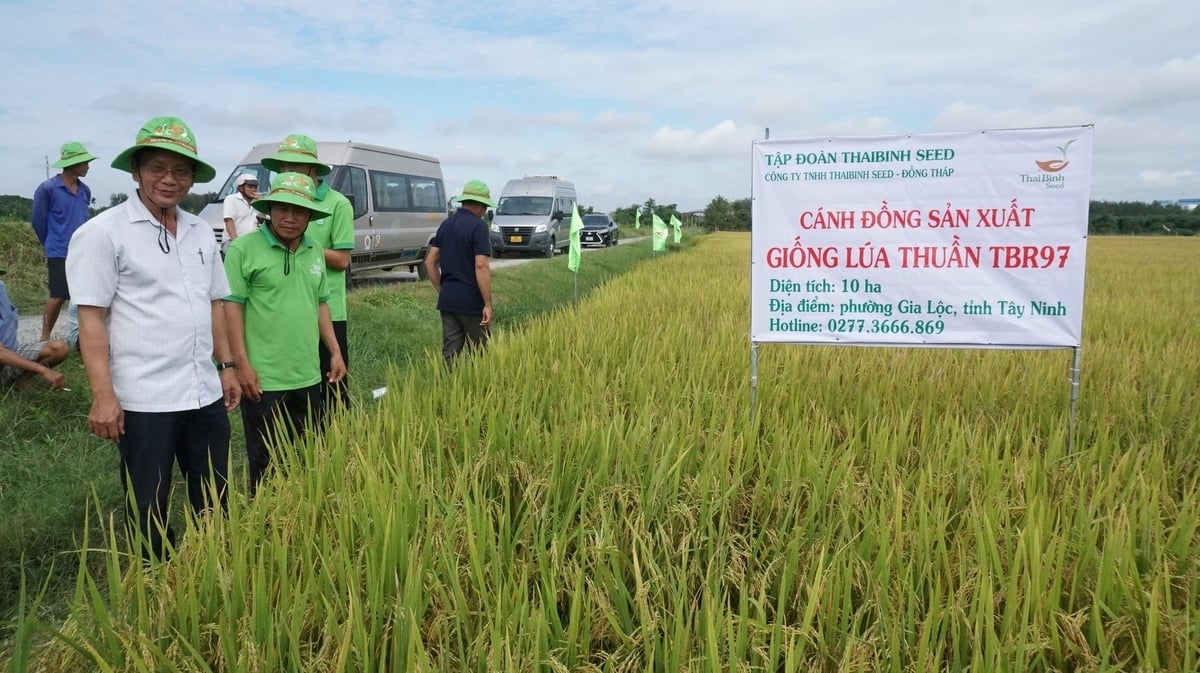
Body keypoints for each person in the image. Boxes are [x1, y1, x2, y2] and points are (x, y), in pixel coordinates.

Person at [66, 116, 241, 562]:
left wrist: (226, 368)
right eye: (158, 168)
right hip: (144, 400)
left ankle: (216, 572)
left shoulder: (202, 232)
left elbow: (215, 303)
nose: (169, 179)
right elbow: (91, 321)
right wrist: (103, 396)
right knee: (149, 506)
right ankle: (158, 588)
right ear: (136, 172)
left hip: (202, 392)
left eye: (181, 171)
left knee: (216, 498)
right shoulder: (102, 234)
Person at [223, 171, 346, 497]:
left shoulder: (314, 251)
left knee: (307, 457)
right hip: (264, 379)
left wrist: (334, 351)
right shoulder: (243, 250)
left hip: (307, 374)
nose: (290, 218)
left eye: (299, 211)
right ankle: (265, 530)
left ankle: (301, 522)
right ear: (269, 209)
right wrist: (240, 365)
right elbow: (231, 309)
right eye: (281, 209)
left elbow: (321, 304)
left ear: (309, 216)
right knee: (266, 463)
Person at [259, 134, 354, 415]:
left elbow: (342, 259)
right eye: (283, 168)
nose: (288, 174)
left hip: (327, 310)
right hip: (283, 312)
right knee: (294, 391)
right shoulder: (275, 203)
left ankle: (339, 447)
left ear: (314, 170)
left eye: (296, 167)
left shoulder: (337, 204)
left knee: (333, 384)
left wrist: (302, 245)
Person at [424, 180, 495, 367]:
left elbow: (430, 261)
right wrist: (487, 303)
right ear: (479, 205)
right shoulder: (478, 227)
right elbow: (481, 265)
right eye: (485, 207)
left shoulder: (446, 224)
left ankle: (447, 390)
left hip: (448, 300)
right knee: (479, 354)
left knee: (450, 353)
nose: (485, 212)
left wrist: (442, 289)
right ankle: (478, 391)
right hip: (472, 302)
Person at [31, 141, 95, 342]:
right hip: (58, 250)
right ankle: (44, 339)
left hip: (82, 250)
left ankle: (80, 338)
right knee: (58, 296)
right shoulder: (48, 188)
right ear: (73, 164)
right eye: (84, 162)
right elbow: (38, 221)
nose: (87, 166)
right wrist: (50, 242)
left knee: (85, 295)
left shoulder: (85, 190)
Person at [0, 268, 68, 390]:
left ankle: (21, 382)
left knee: (59, 348)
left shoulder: (1, 289)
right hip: (3, 354)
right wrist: (43, 370)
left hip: (11, 352)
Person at [222, 173, 263, 255]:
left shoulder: (256, 203)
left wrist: (261, 204)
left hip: (251, 243)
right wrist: (236, 243)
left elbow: (262, 221)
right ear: (241, 188)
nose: (253, 190)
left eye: (255, 187)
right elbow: (229, 221)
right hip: (232, 241)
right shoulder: (232, 199)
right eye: (250, 187)